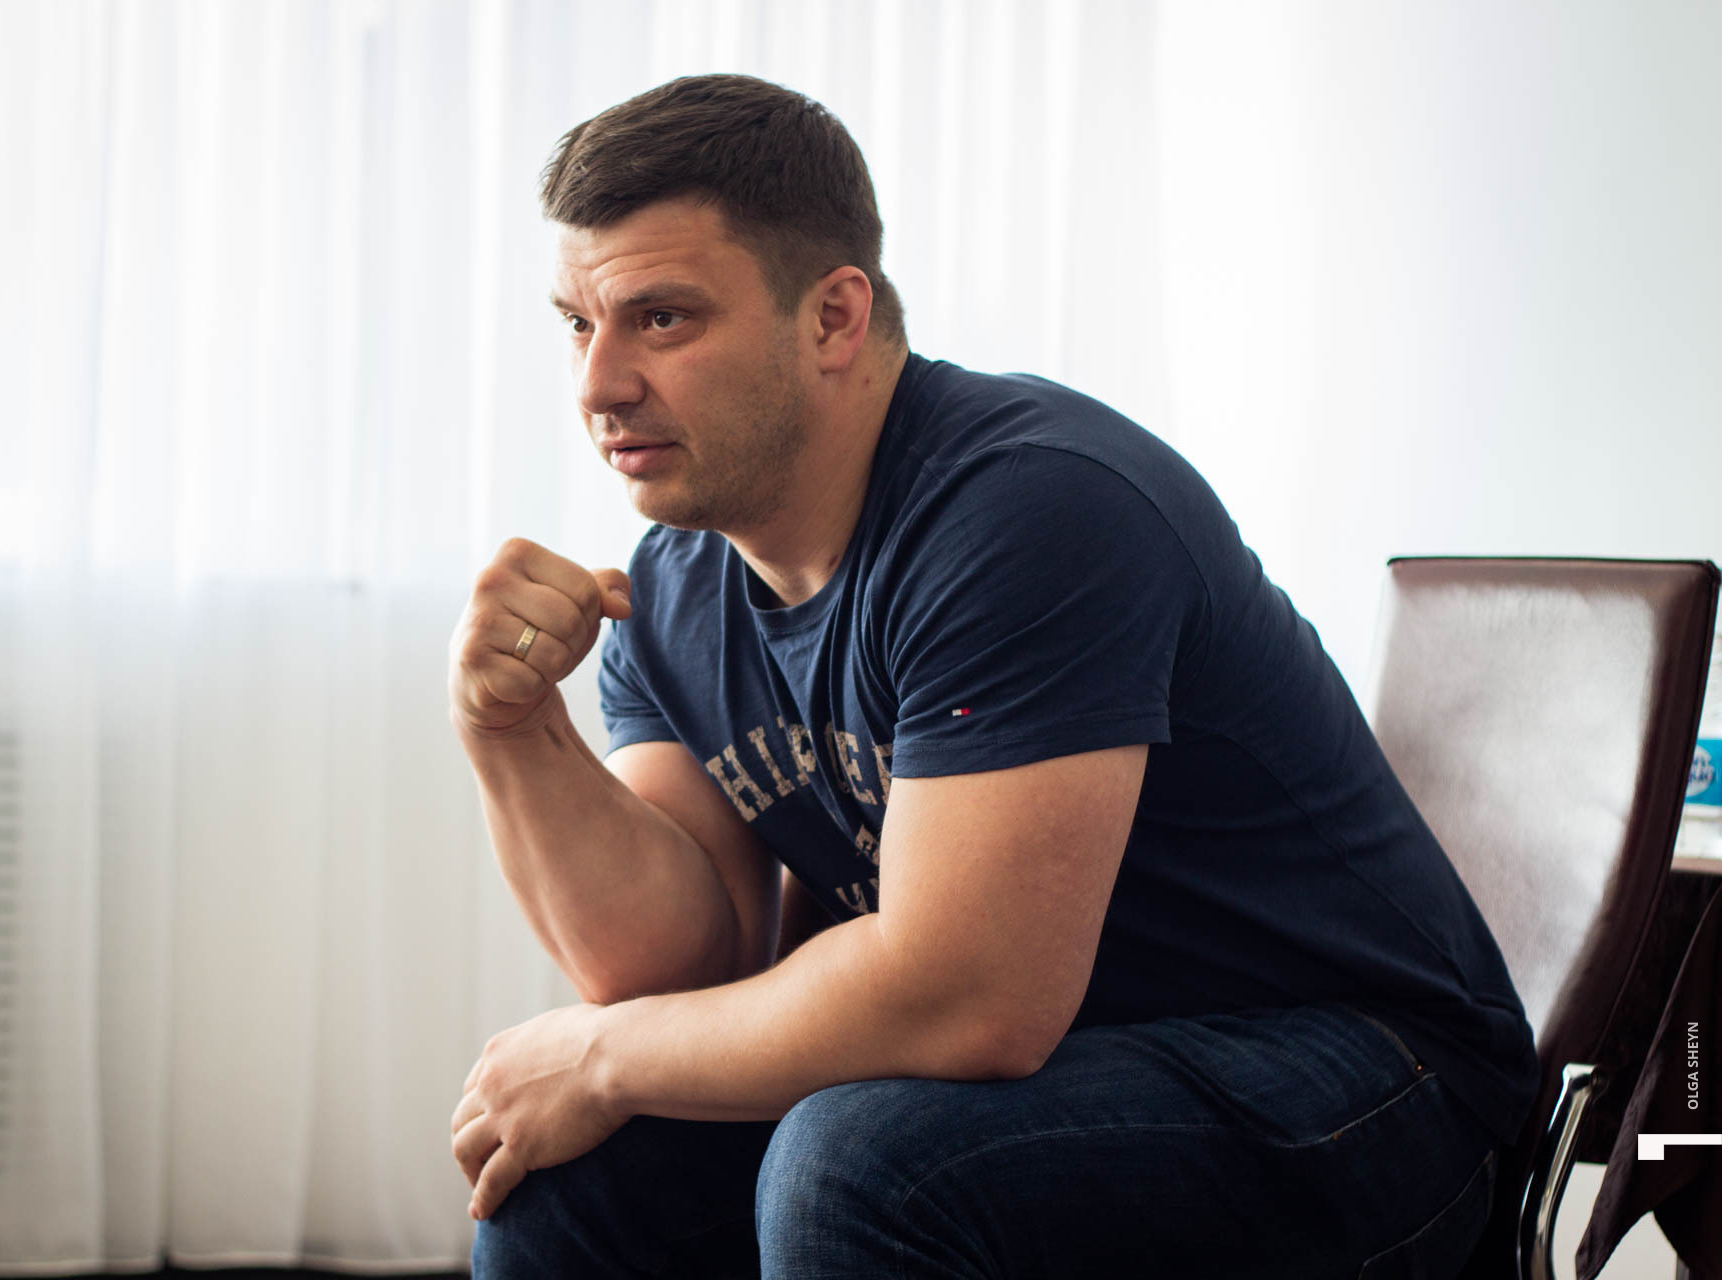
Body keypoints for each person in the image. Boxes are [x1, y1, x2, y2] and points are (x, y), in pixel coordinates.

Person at [446, 73, 1539, 1278]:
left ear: (834, 318)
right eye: (577, 323)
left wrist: (601, 1058)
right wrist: (511, 729)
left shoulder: (1029, 508)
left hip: (1371, 1085)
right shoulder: (674, 585)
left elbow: (968, 999)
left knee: (860, 1161)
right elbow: (675, 969)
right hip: (1052, 1076)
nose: (598, 384)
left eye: (661, 319)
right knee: (570, 1181)